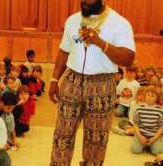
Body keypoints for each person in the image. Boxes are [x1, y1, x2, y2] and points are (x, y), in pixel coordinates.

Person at [48, 0, 135, 165]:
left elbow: (128, 59)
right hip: (72, 81)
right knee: (62, 134)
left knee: (96, 139)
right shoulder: (73, 20)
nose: (85, 4)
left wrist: (100, 42)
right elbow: (64, 50)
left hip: (102, 84)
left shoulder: (120, 23)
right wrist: (54, 79)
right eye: (83, 2)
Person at [132, 87, 163, 156]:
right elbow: (135, 124)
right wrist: (140, 136)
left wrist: (154, 138)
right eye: (148, 95)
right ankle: (144, 144)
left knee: (158, 151)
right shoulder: (139, 108)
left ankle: (150, 145)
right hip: (142, 135)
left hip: (154, 136)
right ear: (145, 96)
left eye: (152, 96)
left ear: (157, 98)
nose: (149, 97)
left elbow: (161, 126)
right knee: (135, 150)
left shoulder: (160, 110)